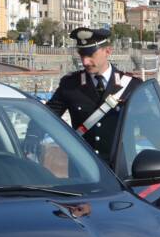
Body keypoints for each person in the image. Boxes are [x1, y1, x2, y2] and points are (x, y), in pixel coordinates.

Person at [42, 27, 143, 160]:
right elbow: (46, 117)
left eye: (90, 55)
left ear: (108, 51)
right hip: (84, 169)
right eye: (82, 55)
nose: (85, 62)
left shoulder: (131, 86)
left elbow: (150, 126)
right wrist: (30, 140)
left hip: (120, 169)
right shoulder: (71, 85)